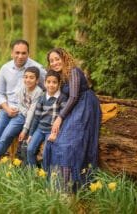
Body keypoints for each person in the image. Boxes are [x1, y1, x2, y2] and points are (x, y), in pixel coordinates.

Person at [46, 48, 101, 192]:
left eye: (57, 59)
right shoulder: (60, 76)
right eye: (51, 61)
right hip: (73, 107)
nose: (55, 62)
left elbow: (74, 96)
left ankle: (71, 188)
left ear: (64, 58)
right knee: (56, 141)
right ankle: (61, 186)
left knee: (69, 144)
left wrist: (60, 117)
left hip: (85, 105)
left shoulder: (74, 71)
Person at [0, 39, 46, 164]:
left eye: (24, 53)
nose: (20, 56)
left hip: (24, 113)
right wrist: (6, 109)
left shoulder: (37, 69)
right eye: (17, 53)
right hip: (7, 109)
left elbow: (48, 87)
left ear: (28, 53)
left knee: (5, 136)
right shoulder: (5, 68)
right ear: (12, 53)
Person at [0, 66, 43, 160]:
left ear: (37, 80)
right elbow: (20, 103)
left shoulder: (38, 92)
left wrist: (25, 130)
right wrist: (22, 110)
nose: (28, 80)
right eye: (26, 77)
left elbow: (31, 113)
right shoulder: (22, 88)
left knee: (6, 136)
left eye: (31, 77)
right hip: (20, 113)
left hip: (27, 119)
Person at [27, 70, 67, 168]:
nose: (51, 85)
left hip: (51, 130)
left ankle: (46, 175)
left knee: (46, 153)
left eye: (54, 82)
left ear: (59, 84)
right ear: (44, 83)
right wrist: (31, 134)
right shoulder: (42, 97)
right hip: (40, 129)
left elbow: (63, 117)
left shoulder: (62, 98)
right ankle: (33, 173)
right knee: (30, 149)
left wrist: (55, 133)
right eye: (48, 82)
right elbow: (36, 117)